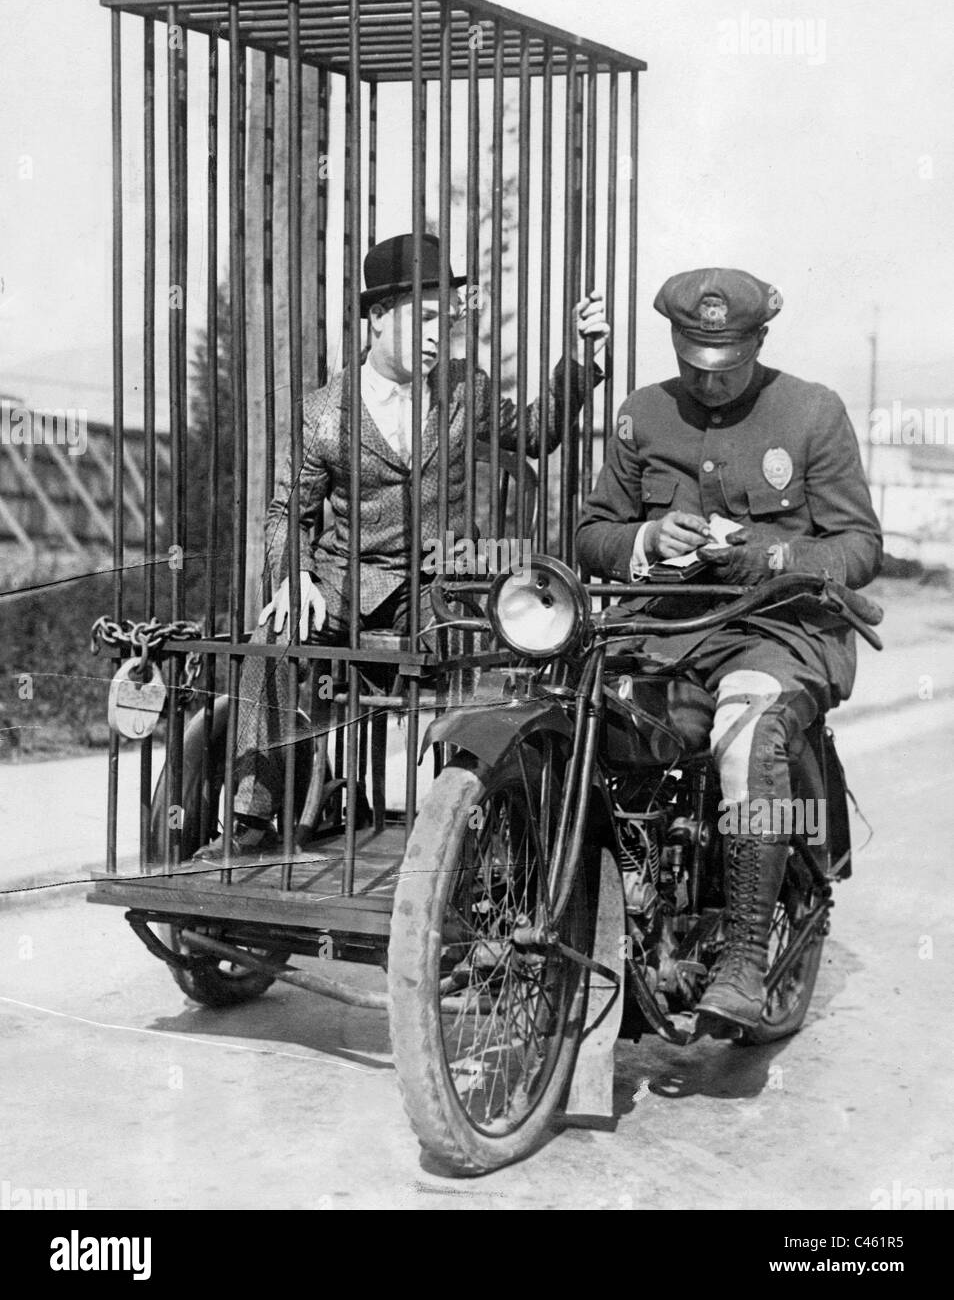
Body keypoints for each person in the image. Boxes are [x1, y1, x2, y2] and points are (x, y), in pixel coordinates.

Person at [198, 232, 609, 859]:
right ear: (377, 318)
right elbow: (288, 512)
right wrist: (292, 577)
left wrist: (583, 361)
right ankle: (251, 818)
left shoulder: (463, 389)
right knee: (269, 638)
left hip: (435, 583)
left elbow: (536, 432)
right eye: (423, 320)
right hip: (343, 581)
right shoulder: (322, 413)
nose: (436, 337)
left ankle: (479, 819)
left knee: (483, 653)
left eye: (445, 321)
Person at [576, 267, 882, 1030]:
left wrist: (769, 557)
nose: (709, 384)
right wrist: (646, 538)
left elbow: (859, 546)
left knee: (745, 735)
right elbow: (592, 532)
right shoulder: (643, 413)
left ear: (759, 341)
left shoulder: (811, 412)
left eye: (727, 366)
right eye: (693, 364)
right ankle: (612, 905)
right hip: (670, 633)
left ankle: (744, 957)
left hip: (781, 631)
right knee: (585, 714)